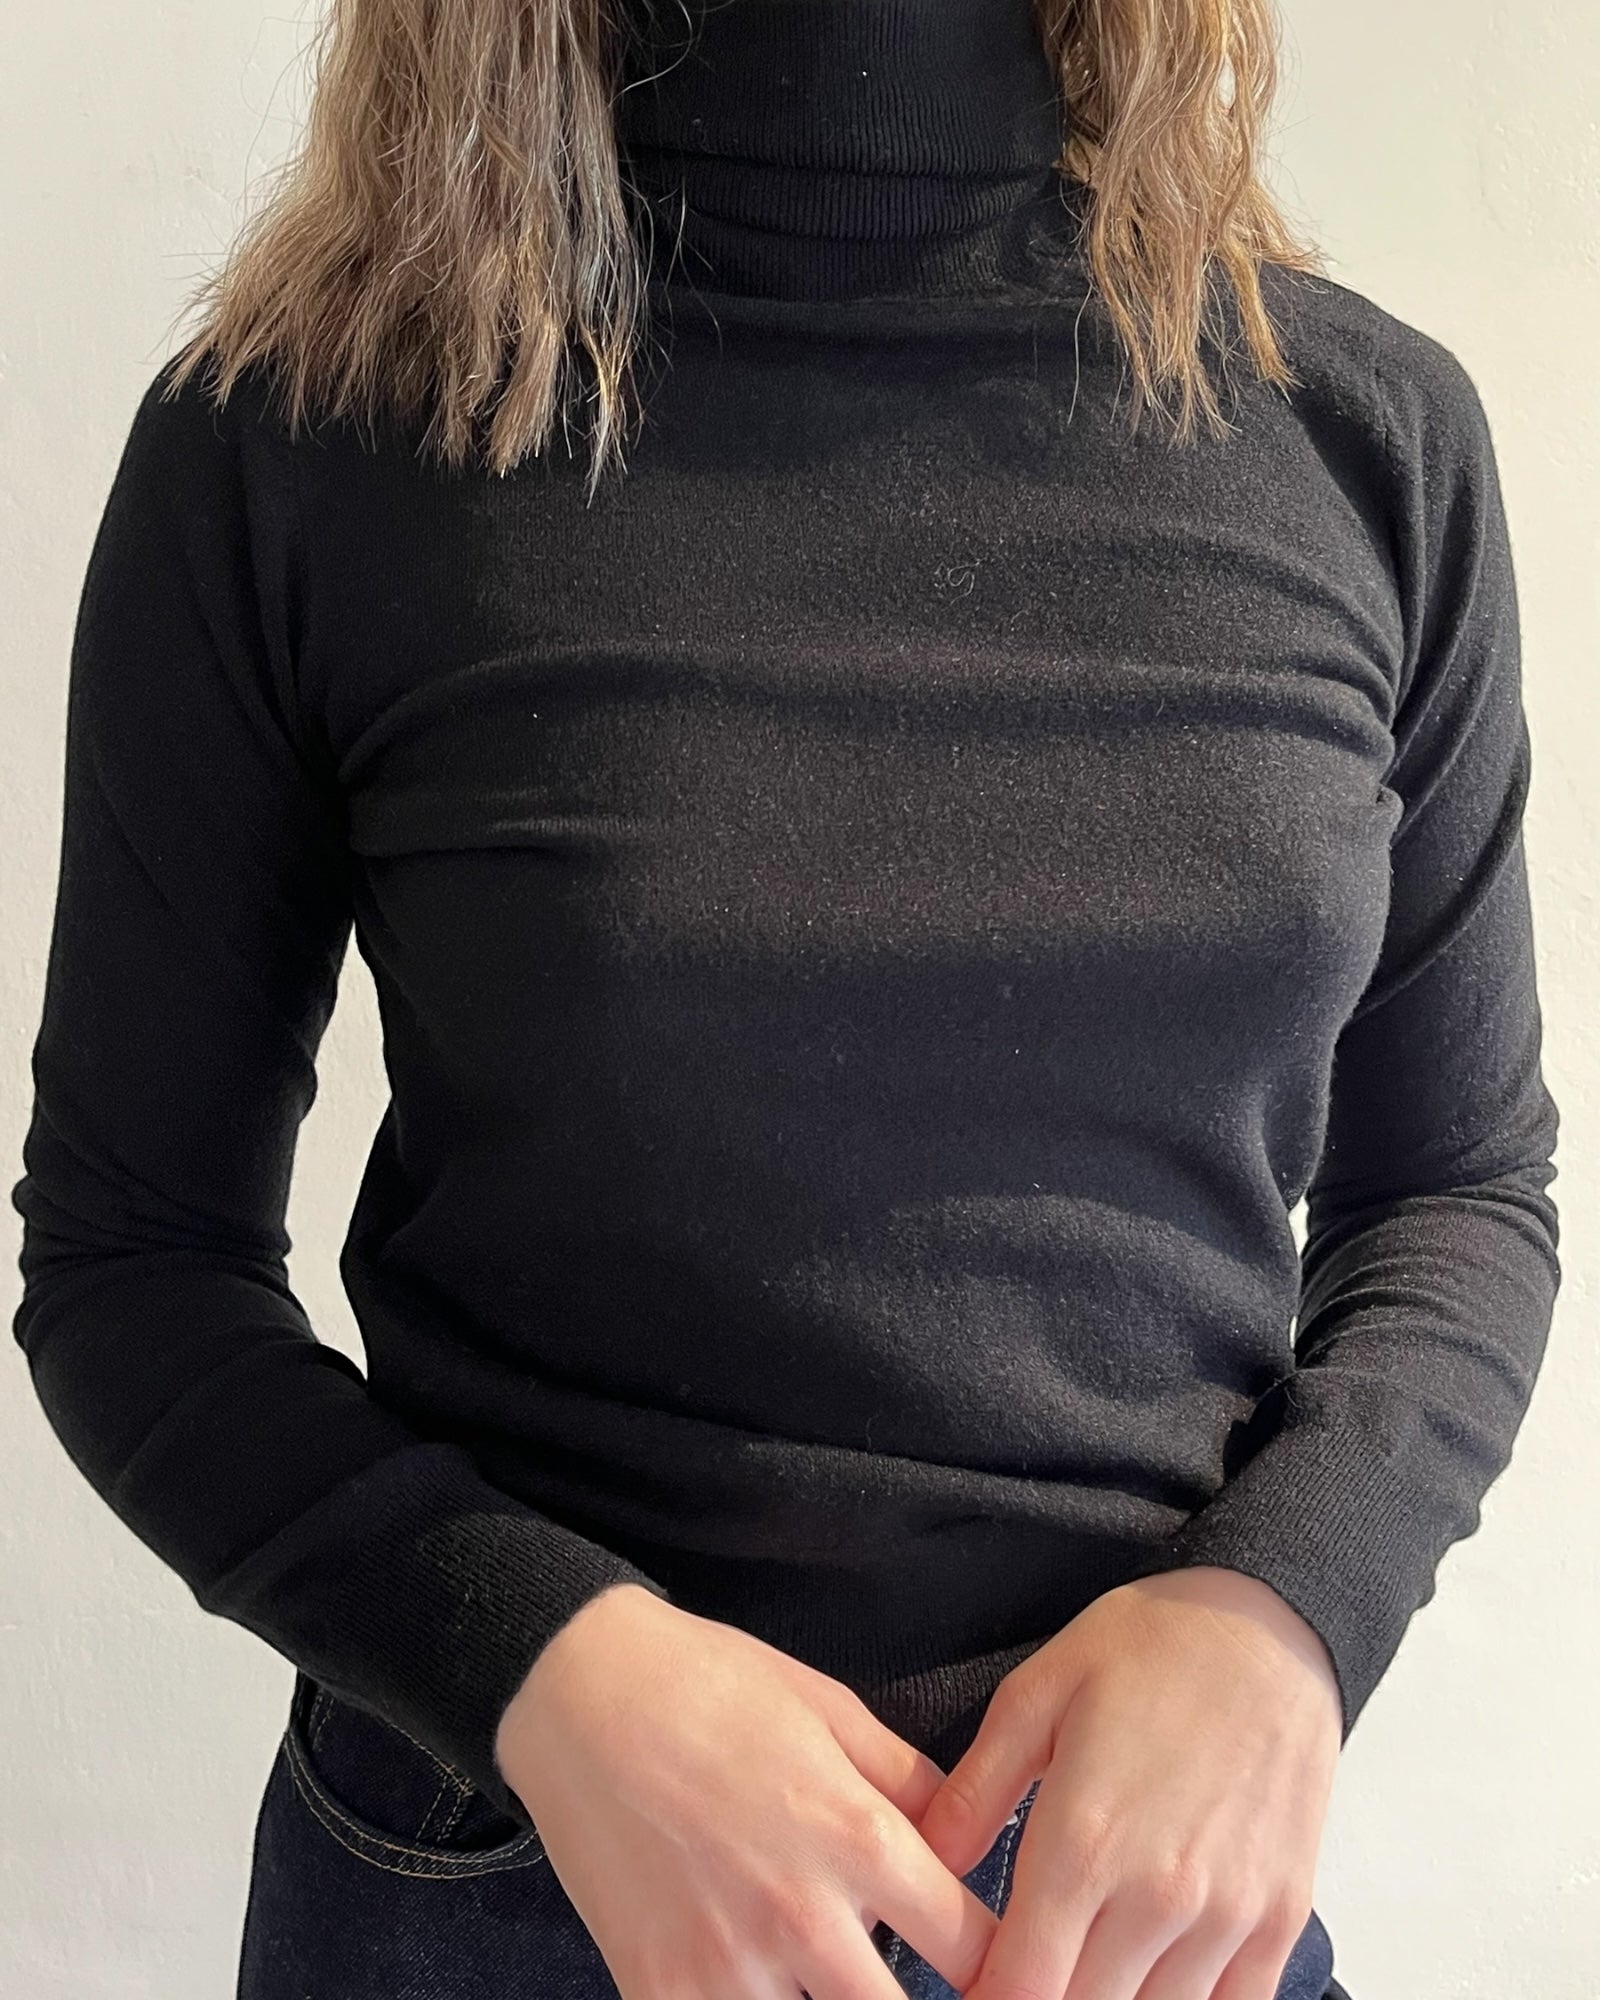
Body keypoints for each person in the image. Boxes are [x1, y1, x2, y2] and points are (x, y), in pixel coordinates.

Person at [10, 0, 1561, 1995]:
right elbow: (133, 1265)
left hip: (1136, 1922)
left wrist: (1282, 1612)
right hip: (508, 1872)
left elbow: (1454, 1190)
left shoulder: (1360, 439)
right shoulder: (306, 438)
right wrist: (549, 1667)